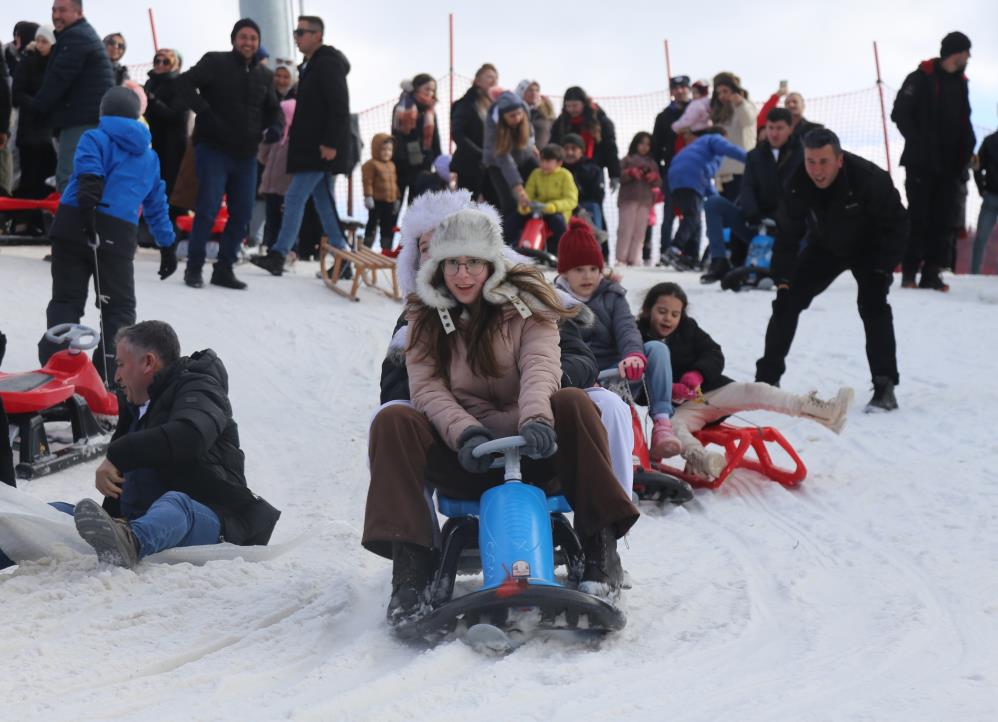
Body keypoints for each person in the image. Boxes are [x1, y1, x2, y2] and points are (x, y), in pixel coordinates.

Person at [364, 207, 639, 623]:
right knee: (394, 419)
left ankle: (601, 555)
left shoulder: (531, 302)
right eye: (452, 262)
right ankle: (412, 574)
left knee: (576, 402)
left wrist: (537, 421)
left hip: (537, 450)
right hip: (465, 455)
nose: (462, 274)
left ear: (493, 262)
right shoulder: (423, 315)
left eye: (473, 261)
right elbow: (427, 388)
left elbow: (541, 365)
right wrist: (464, 434)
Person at [379, 190, 634, 497]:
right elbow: (403, 386)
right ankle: (414, 535)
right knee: (393, 416)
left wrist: (544, 386)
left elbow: (574, 356)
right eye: (427, 248)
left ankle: (609, 522)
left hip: (538, 414)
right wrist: (457, 410)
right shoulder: (419, 317)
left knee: (608, 404)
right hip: (457, 430)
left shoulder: (526, 298)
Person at [67, 321, 281, 568]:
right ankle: (12, 544)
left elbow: (190, 436)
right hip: (138, 520)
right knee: (57, 512)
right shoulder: (135, 403)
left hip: (209, 519)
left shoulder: (200, 387)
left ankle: (130, 542)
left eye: (121, 365)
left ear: (148, 362)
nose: (116, 376)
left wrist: (118, 454)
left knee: (175, 503)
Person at [755, 129, 908, 412]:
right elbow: (788, 234)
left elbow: (898, 225)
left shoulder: (869, 179)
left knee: (873, 304)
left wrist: (883, 268)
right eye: (810, 161)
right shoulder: (797, 182)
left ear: (839, 160)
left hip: (870, 249)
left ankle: (885, 386)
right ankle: (766, 382)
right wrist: (783, 277)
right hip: (825, 246)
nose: (816, 170)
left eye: (823, 162)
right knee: (786, 301)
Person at [637, 282, 853, 479]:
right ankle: (699, 457)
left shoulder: (688, 328)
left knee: (755, 390)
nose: (668, 319)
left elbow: (713, 352)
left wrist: (698, 374)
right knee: (674, 427)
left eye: (675, 314)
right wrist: (667, 389)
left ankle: (820, 410)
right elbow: (636, 382)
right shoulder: (637, 338)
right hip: (679, 409)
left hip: (712, 391)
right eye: (662, 312)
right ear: (647, 311)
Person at [37, 86, 176, 382]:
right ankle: (111, 378)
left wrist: (88, 210)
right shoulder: (150, 157)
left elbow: (89, 173)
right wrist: (167, 245)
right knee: (118, 309)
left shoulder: (95, 137)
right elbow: (156, 204)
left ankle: (56, 368)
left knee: (66, 301)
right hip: (117, 234)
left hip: (74, 222)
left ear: (104, 112)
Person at [554, 220, 682, 459]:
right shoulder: (557, 303)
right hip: (581, 382)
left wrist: (633, 356)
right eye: (579, 269)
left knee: (656, 349)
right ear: (564, 272)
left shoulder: (612, 296)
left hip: (618, 374)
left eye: (593, 269)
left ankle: (662, 424)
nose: (588, 276)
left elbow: (627, 328)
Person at [175, 18, 282, 289]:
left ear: (258, 43)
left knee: (243, 213)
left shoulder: (264, 75)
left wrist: (275, 128)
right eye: (243, 37)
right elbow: (184, 84)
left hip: (246, 155)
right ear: (234, 39)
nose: (248, 42)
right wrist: (205, 113)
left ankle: (224, 268)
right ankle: (194, 268)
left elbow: (273, 110)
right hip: (213, 148)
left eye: (253, 38)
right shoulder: (215, 62)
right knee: (208, 209)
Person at [249, 15, 351, 278]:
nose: (296, 36)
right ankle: (345, 259)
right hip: (310, 149)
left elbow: (339, 105)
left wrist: (330, 142)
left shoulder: (327, 64)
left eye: (301, 32)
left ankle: (279, 254)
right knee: (323, 204)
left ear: (317, 35)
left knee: (294, 197)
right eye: (295, 31)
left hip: (319, 150)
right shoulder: (312, 64)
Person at [892, 31, 975, 291]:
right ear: (956, 52)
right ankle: (908, 273)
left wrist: (966, 151)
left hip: (951, 167)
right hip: (921, 164)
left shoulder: (961, 83)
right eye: (966, 52)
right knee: (919, 217)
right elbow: (900, 113)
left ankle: (931, 273)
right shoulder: (920, 77)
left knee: (943, 221)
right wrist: (918, 143)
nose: (968, 57)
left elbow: (964, 120)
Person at [701, 107, 804, 283]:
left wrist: (783, 218)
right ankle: (719, 261)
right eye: (770, 128)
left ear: (790, 128)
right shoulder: (754, 156)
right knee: (713, 203)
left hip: (789, 228)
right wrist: (752, 214)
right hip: (755, 224)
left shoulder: (803, 155)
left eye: (779, 128)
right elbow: (747, 188)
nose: (774, 133)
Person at [30, 0, 113, 193]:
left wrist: (37, 109)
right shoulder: (78, 35)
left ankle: (74, 223)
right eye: (54, 10)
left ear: (78, 12)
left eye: (62, 10)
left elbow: (59, 78)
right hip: (87, 119)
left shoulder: (76, 37)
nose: (56, 15)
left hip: (81, 121)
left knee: (70, 180)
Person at [663, 131, 747, 269]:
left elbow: (706, 181)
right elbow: (730, 150)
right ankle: (674, 248)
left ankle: (690, 258)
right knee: (692, 217)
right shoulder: (714, 139)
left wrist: (719, 203)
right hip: (690, 178)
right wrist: (751, 158)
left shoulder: (697, 148)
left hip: (676, 180)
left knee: (695, 219)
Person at [549, 87, 621, 204]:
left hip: (593, 170)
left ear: (584, 103)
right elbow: (553, 146)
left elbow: (610, 148)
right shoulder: (561, 122)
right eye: (568, 106)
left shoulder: (600, 121)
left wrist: (614, 174)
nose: (572, 109)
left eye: (575, 105)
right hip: (566, 170)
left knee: (592, 205)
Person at [483, 90, 537, 245]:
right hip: (497, 163)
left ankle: (533, 237)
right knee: (511, 202)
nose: (517, 118)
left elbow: (531, 134)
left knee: (540, 177)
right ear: (502, 117)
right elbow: (504, 159)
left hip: (523, 155)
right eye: (512, 116)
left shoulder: (524, 109)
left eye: (519, 114)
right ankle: (509, 242)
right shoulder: (492, 123)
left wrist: (533, 147)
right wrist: (518, 188)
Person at [11, 25, 56, 200]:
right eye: (38, 40)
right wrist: (38, 104)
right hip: (29, 131)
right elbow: (17, 93)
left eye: (44, 41)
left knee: (49, 179)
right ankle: (25, 221)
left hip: (50, 132)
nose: (40, 44)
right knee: (29, 179)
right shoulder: (27, 61)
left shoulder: (57, 65)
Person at [143, 48, 189, 216]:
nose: (160, 64)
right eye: (157, 60)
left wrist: (153, 100)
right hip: (152, 141)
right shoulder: (150, 83)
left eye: (166, 61)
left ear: (175, 65)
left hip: (172, 144)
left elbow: (175, 115)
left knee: (170, 186)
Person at [652, 76, 692, 249]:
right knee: (669, 213)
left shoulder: (698, 111)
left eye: (683, 87)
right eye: (676, 88)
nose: (680, 91)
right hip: (671, 170)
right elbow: (656, 146)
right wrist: (660, 172)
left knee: (692, 213)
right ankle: (665, 251)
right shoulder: (664, 116)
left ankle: (691, 253)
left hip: (694, 170)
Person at [517, 143, 577, 255]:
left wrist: (553, 206)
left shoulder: (565, 175)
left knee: (557, 222)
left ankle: (564, 252)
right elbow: (528, 193)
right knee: (514, 219)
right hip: (536, 209)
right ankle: (508, 247)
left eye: (548, 162)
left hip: (556, 211)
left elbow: (571, 199)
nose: (544, 164)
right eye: (542, 161)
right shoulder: (536, 174)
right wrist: (524, 205)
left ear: (559, 163)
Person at [391, 74, 441, 205]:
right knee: (396, 200)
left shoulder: (431, 111)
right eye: (427, 89)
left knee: (417, 204)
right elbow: (397, 135)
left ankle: (413, 226)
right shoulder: (401, 107)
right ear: (417, 88)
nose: (430, 93)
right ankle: (391, 226)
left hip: (423, 165)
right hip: (403, 163)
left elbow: (435, 138)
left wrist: (438, 159)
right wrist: (407, 156)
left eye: (433, 90)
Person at [450, 63, 497, 197]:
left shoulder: (496, 106)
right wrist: (479, 153)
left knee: (494, 209)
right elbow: (458, 133)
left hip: (492, 165)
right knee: (468, 208)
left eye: (495, 78)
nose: (493, 81)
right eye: (489, 77)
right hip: (470, 165)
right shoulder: (466, 103)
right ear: (477, 81)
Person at [708, 72, 757, 201]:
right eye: (719, 93)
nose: (722, 96)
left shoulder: (745, 106)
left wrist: (740, 104)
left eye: (725, 91)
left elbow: (748, 120)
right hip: (722, 173)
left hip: (740, 170)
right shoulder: (718, 114)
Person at [255, 98, 296, 252]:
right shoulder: (274, 136)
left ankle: (284, 250)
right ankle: (270, 248)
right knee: (271, 220)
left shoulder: (295, 140)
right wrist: (265, 140)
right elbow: (261, 157)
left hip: (285, 188)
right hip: (269, 186)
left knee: (282, 221)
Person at [616, 131, 661, 266]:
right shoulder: (627, 159)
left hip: (646, 202)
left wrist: (654, 177)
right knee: (626, 229)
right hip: (628, 199)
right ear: (635, 144)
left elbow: (659, 183)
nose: (644, 147)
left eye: (648, 144)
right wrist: (630, 173)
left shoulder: (653, 163)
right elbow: (618, 175)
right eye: (641, 143)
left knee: (640, 231)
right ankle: (621, 258)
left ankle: (634, 258)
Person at [361, 133, 400, 251]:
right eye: (383, 149)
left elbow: (394, 183)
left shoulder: (392, 165)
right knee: (372, 225)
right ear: (376, 149)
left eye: (390, 150)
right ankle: (366, 248)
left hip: (389, 202)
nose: (387, 152)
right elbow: (367, 181)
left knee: (387, 226)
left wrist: (397, 198)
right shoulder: (371, 164)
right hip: (376, 202)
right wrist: (368, 196)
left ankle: (386, 249)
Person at [562, 133, 606, 232]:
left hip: (585, 205)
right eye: (566, 149)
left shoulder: (592, 169)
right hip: (563, 206)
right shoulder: (557, 169)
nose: (569, 153)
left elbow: (597, 195)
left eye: (573, 149)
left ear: (581, 151)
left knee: (592, 208)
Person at [972, 129, 998, 274]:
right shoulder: (989, 142)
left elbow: (976, 166)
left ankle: (974, 273)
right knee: (981, 237)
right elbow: (976, 166)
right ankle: (974, 273)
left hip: (990, 196)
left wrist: (981, 188)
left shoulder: (989, 141)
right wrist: (981, 188)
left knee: (981, 238)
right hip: (990, 197)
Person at [515, 79, 556, 150]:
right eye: (530, 90)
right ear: (521, 92)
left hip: (543, 157)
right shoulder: (514, 113)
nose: (534, 93)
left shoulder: (546, 113)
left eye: (537, 90)